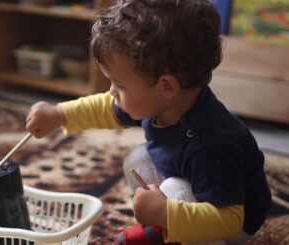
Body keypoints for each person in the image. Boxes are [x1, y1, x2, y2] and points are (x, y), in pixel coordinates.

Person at [25, 0, 272, 244]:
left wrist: (166, 212)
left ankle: (172, 228)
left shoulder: (209, 144)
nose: (112, 92)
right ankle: (163, 226)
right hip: (194, 184)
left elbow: (229, 220)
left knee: (175, 191)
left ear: (166, 86)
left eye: (120, 85)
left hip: (228, 222)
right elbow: (106, 108)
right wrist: (58, 114)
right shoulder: (162, 102)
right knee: (138, 159)